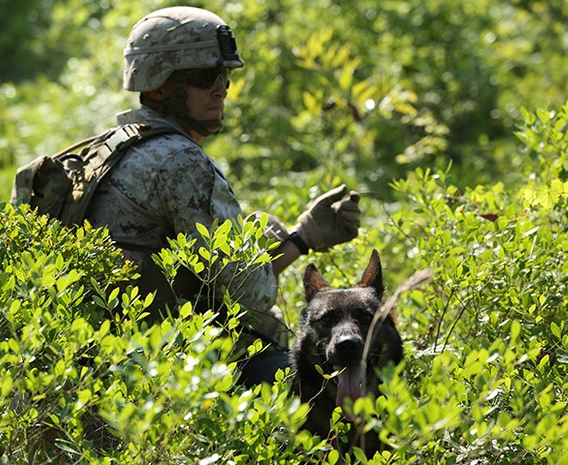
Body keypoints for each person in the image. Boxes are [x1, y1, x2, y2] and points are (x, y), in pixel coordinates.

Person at [84, 6, 361, 384]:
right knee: (326, 380)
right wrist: (295, 241)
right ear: (158, 85)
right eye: (203, 76)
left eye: (224, 75)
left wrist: (299, 236)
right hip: (166, 370)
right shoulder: (181, 162)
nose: (221, 88)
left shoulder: (103, 150)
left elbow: (200, 278)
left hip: (99, 362)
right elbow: (247, 294)